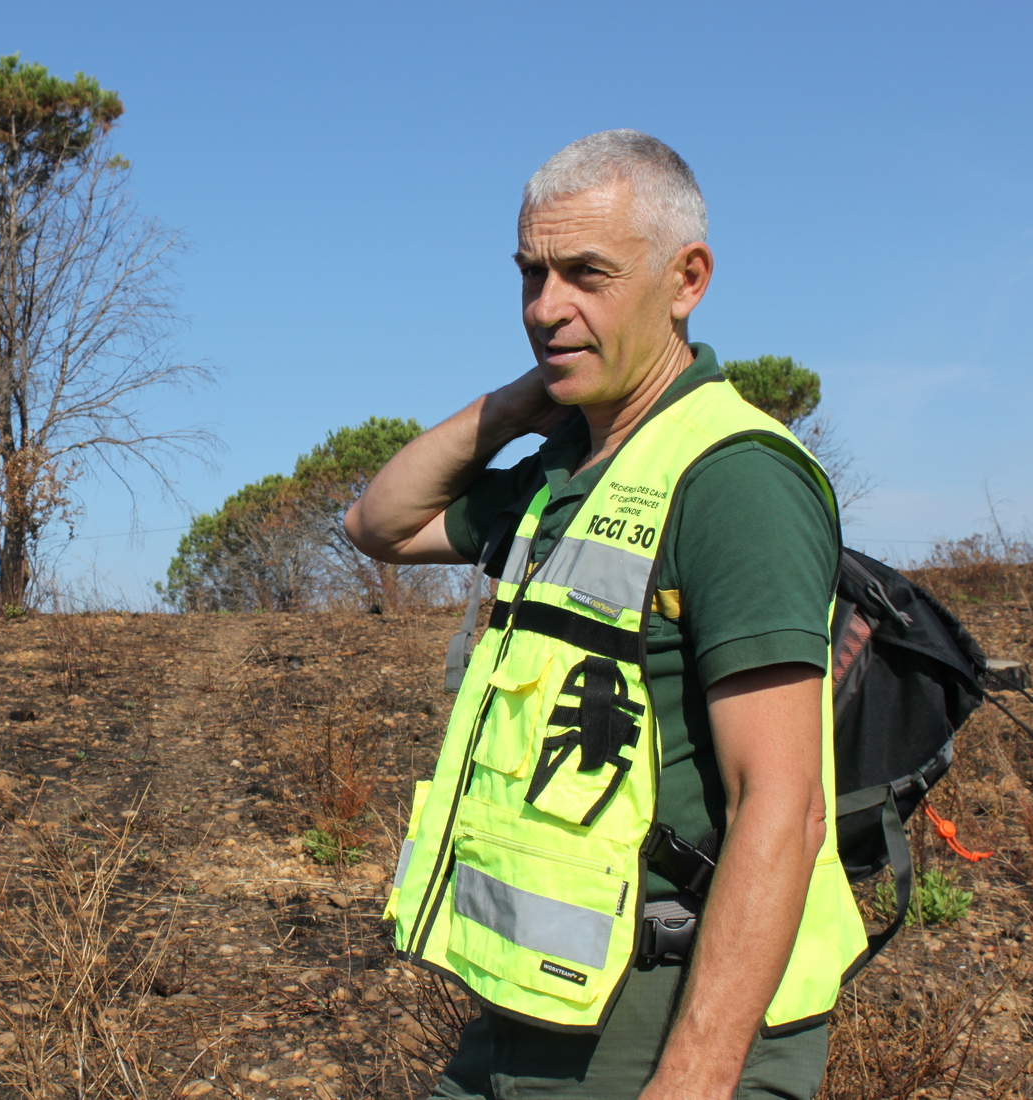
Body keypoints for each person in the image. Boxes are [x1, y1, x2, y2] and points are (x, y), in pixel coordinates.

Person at [347, 132, 868, 1100]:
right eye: (531, 276)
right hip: (531, 1018)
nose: (547, 308)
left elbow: (781, 808)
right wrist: (517, 405)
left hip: (669, 1027)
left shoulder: (735, 477)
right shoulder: (561, 477)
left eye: (585, 273)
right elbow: (379, 521)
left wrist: (695, 1078)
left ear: (687, 278)